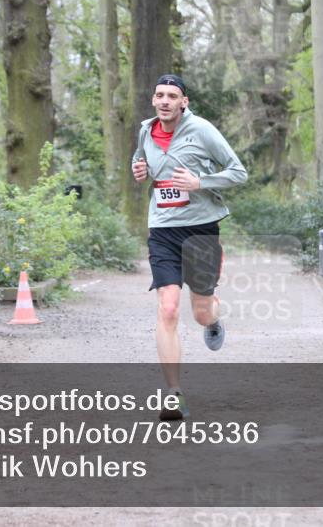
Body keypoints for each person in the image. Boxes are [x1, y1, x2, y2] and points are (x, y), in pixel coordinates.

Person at [131, 73, 247, 420]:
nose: (165, 101)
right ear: (153, 100)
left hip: (200, 230)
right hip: (162, 230)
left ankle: (213, 319)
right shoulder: (145, 131)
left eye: (172, 96)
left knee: (201, 312)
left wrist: (200, 182)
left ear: (184, 102)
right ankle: (173, 394)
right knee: (167, 308)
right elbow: (141, 161)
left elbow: (238, 172)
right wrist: (139, 170)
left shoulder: (202, 130)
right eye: (159, 95)